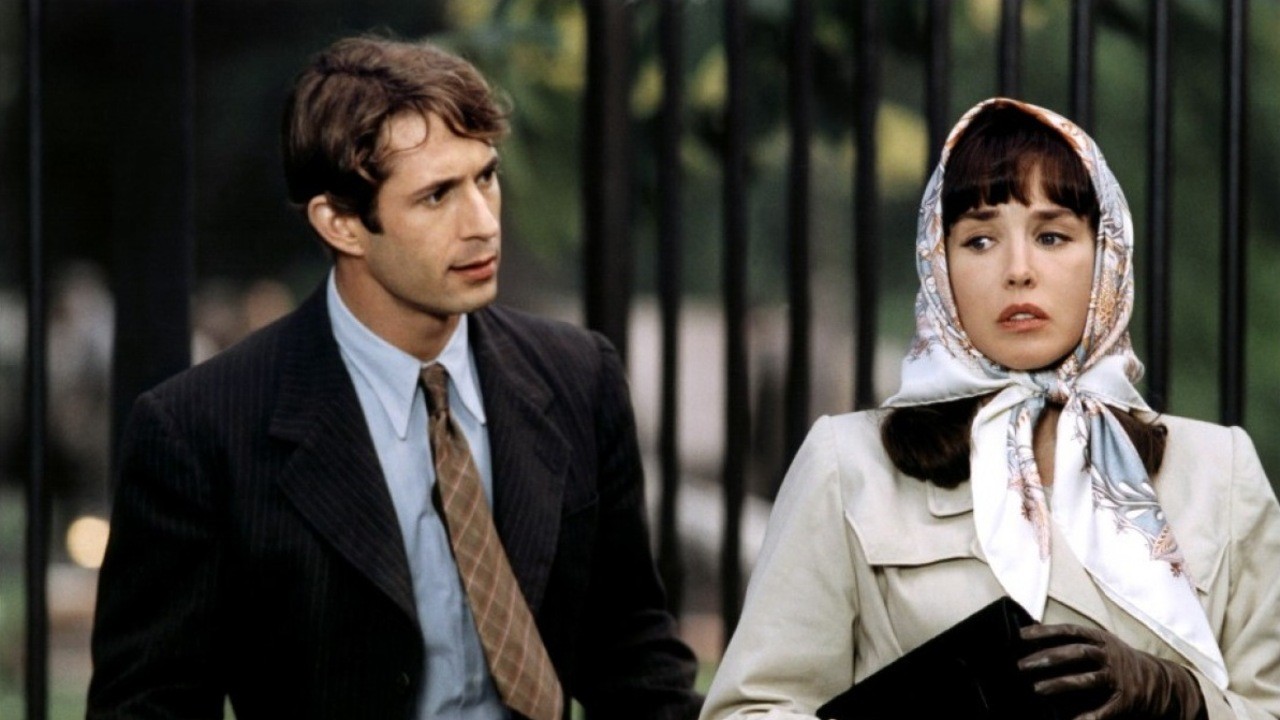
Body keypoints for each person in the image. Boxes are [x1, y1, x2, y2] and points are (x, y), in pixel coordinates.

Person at [88, 35, 701, 720]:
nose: (482, 224)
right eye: (437, 195)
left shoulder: (578, 376)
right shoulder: (201, 431)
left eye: (485, 177)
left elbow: (634, 659)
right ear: (341, 224)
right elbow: (148, 706)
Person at [700, 98, 1280, 719]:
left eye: (1052, 236)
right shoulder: (850, 465)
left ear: (1107, 254)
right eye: (980, 239)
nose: (1018, 271)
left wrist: (1181, 699)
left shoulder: (1219, 472)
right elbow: (752, 709)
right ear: (939, 264)